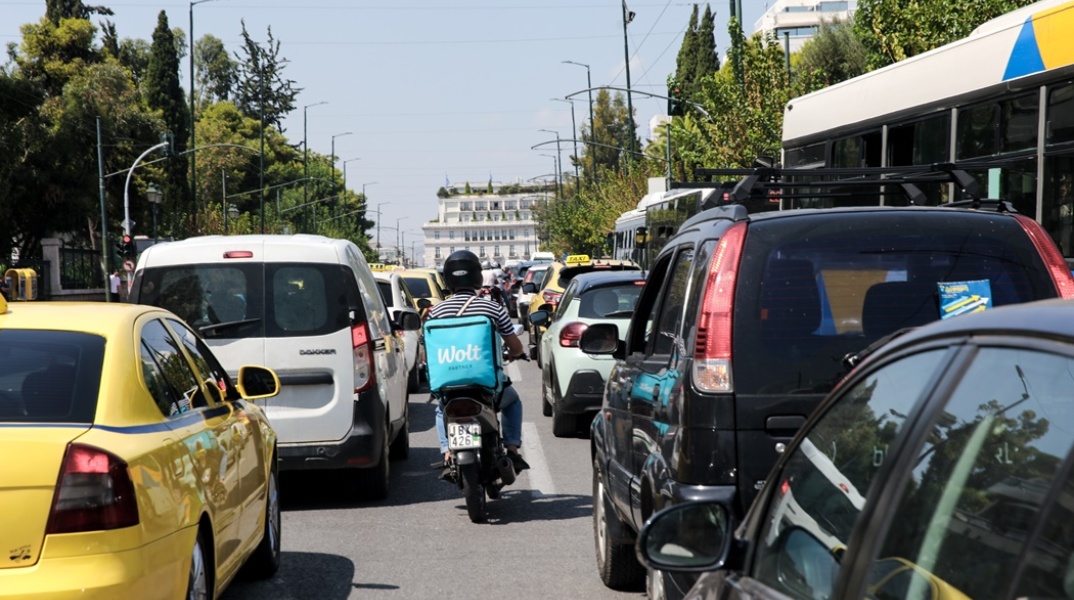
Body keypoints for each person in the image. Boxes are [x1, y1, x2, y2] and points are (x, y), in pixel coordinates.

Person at [431, 249, 530, 476]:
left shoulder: (436, 311)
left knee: (440, 410)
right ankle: (512, 449)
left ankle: (447, 452)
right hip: (486, 385)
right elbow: (514, 346)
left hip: (448, 386)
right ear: (477, 276)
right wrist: (516, 353)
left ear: (447, 279)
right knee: (512, 402)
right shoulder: (492, 308)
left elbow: (429, 352)